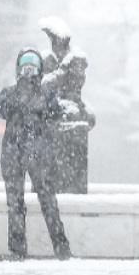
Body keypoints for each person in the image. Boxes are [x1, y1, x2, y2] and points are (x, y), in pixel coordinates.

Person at [0, 48, 72, 260]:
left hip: (35, 155)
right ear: (19, 70)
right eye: (25, 68)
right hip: (17, 155)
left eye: (32, 68)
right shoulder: (10, 93)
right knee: (18, 203)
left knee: (46, 201)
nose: (29, 73)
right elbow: (0, 109)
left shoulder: (45, 95)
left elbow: (55, 114)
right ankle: (21, 250)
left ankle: (60, 248)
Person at [39, 17, 95, 194]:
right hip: (52, 107)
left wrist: (66, 70)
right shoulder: (47, 58)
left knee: (79, 117)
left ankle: (71, 186)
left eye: (57, 39)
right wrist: (62, 71)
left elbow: (77, 83)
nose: (55, 43)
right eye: (53, 39)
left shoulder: (76, 58)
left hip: (71, 106)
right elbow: (44, 84)